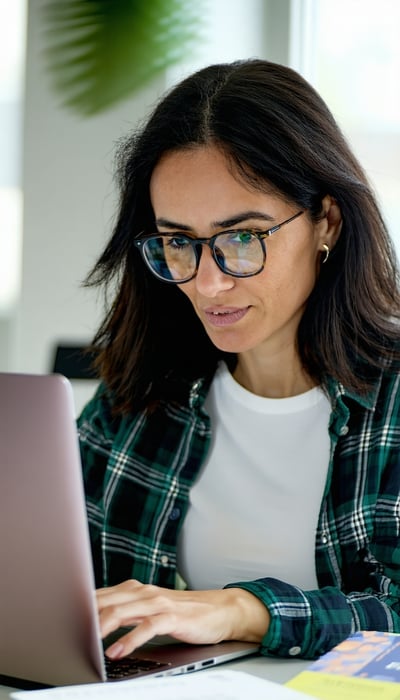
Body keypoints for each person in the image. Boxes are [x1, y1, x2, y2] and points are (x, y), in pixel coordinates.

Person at [77, 58, 400, 664]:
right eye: (178, 242)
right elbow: (53, 574)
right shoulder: (143, 389)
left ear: (325, 220)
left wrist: (243, 609)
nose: (208, 282)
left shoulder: (394, 399)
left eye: (243, 238)